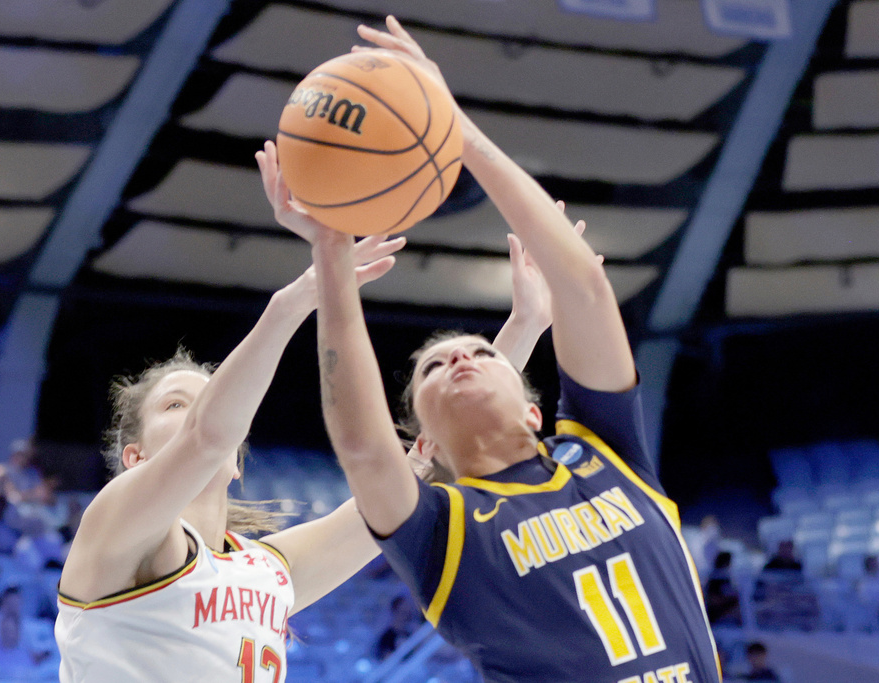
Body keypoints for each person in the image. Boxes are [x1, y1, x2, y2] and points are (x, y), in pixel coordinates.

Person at [273, 16, 721, 682]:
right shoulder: (440, 531)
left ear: (536, 411)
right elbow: (365, 445)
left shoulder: (604, 450)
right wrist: (332, 254)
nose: (459, 358)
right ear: (424, 444)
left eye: (483, 353)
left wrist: (455, 128)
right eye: (432, 366)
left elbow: (586, 286)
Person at [55, 192, 555, 680]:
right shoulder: (112, 527)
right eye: (175, 405)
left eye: (207, 401)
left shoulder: (269, 569)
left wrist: (526, 325)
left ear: (237, 464)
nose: (200, 416)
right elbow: (207, 436)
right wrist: (293, 302)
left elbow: (422, 463)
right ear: (135, 456)